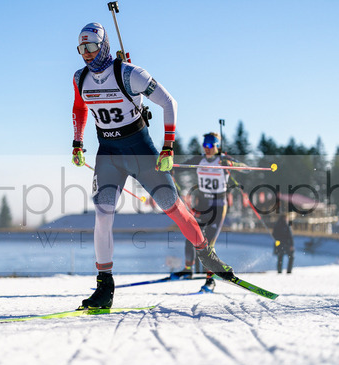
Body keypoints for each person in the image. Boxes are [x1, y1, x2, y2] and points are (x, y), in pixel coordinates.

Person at [71, 22, 236, 309]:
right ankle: (104, 286)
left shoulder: (130, 73)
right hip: (108, 154)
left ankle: (206, 255)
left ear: (104, 45)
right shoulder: (80, 78)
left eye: (91, 46)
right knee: (102, 214)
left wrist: (168, 146)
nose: (86, 53)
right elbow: (79, 107)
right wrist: (77, 142)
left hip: (141, 152)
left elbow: (169, 102)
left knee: (173, 207)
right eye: (81, 47)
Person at [172, 133, 238, 293]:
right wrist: (170, 168)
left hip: (218, 206)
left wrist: (231, 164)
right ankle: (188, 270)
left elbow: (245, 168)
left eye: (210, 146)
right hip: (202, 204)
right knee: (191, 236)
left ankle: (210, 280)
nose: (207, 149)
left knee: (208, 244)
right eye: (204, 145)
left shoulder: (223, 160)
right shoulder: (199, 159)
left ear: (217, 146)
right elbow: (181, 167)